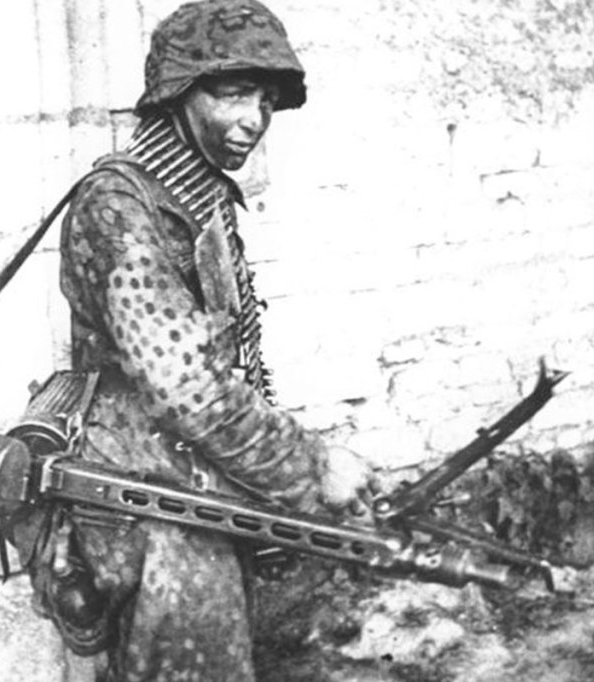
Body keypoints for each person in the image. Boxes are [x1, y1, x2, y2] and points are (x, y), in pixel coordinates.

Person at [20, 1, 379, 680]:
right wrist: (311, 469)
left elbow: (232, 361)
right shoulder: (118, 207)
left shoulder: (197, 198)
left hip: (195, 489)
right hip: (143, 505)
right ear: (178, 95)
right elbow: (190, 386)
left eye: (266, 100)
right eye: (233, 92)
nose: (255, 119)